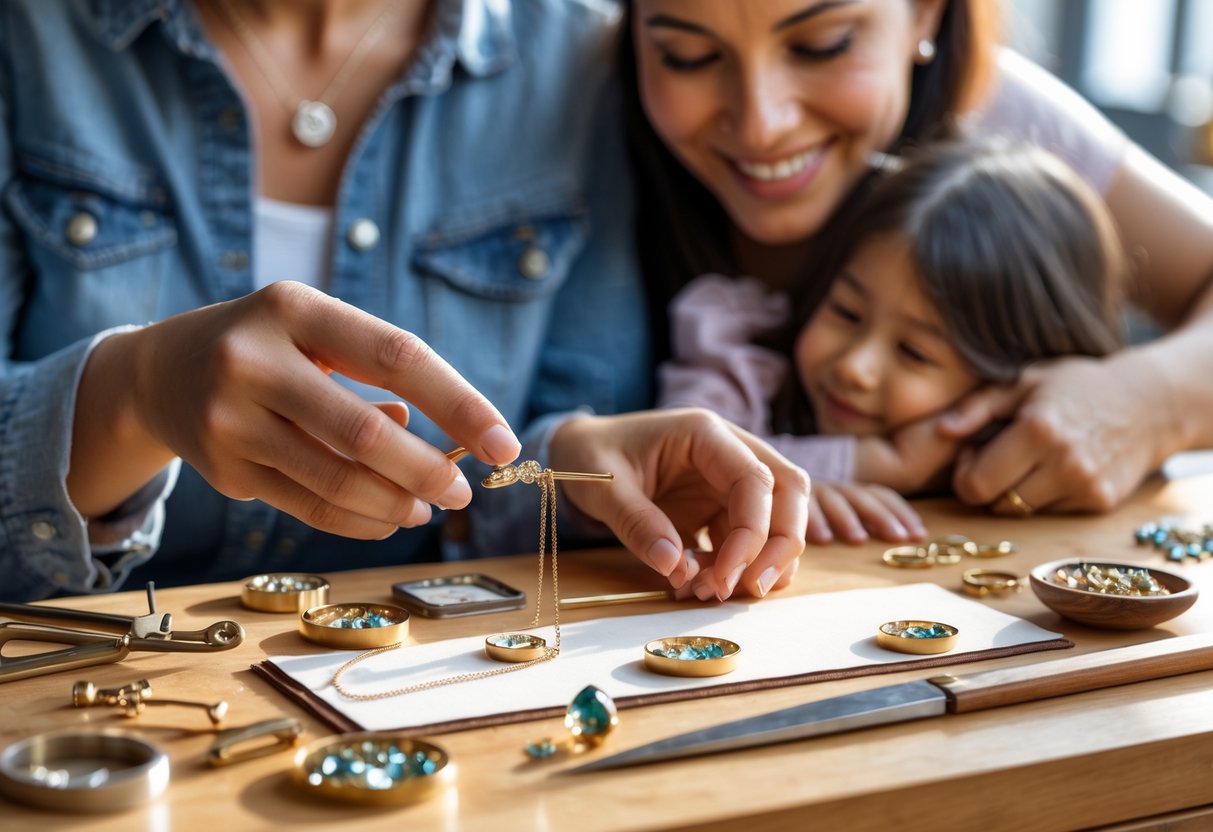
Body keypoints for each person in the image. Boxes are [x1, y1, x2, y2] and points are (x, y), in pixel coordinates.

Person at [0, 0, 809, 603]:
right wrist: (133, 393)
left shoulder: (578, 57)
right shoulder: (30, 39)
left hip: (417, 684)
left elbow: (531, 452)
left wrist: (578, 458)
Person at [622, 0, 1213, 520]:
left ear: (927, 11)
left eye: (822, 45)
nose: (761, 125)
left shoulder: (1003, 121)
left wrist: (1150, 400)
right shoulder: (570, 103)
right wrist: (867, 465)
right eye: (688, 54)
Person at [660, 140, 1126, 544]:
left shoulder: (1056, 462)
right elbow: (677, 470)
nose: (854, 367)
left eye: (914, 352)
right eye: (845, 311)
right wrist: (871, 465)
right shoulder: (740, 348)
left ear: (1004, 384)